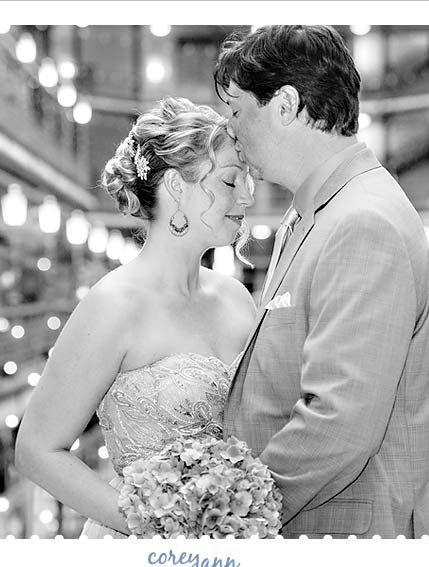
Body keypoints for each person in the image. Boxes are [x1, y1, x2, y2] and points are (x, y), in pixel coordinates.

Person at [215, 25, 429, 538]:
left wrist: (234, 514)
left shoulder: (363, 222)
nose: (231, 129)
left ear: (286, 105)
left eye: (237, 110)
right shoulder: (313, 212)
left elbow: (339, 422)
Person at [14, 97, 257, 537]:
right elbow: (36, 450)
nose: (247, 196)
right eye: (230, 180)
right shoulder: (113, 306)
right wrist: (156, 524)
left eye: (247, 180)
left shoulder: (237, 298)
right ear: (177, 186)